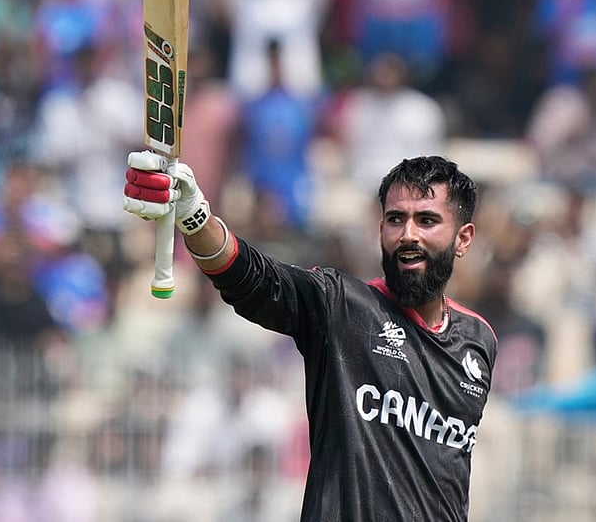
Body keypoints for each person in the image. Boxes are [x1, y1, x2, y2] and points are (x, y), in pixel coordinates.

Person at [123, 153, 497, 521]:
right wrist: (194, 217)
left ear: (463, 238)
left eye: (427, 220)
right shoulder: (343, 307)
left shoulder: (479, 339)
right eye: (396, 219)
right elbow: (251, 277)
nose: (408, 234)